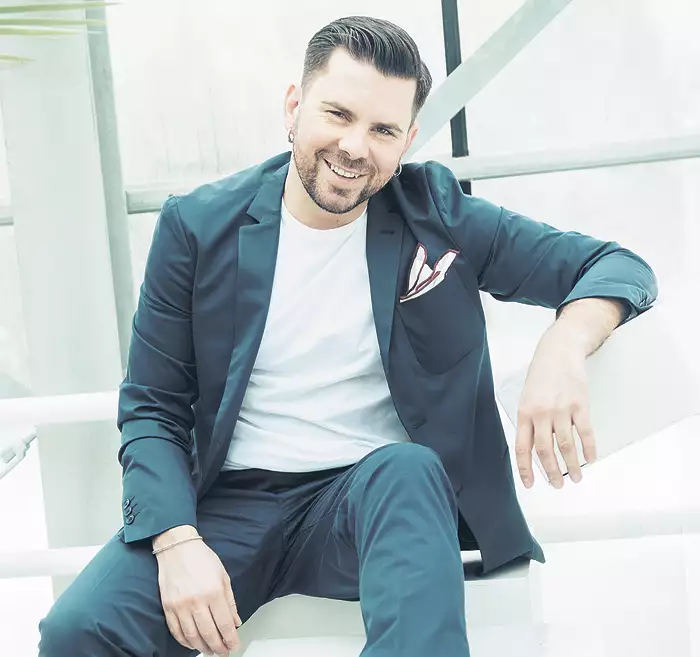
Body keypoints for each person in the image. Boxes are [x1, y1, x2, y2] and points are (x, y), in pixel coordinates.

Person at [38, 14, 658, 657]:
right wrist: (175, 540)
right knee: (76, 630)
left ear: (407, 139)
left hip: (376, 508)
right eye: (338, 114)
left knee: (409, 468)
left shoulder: (435, 214)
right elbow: (153, 403)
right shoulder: (198, 226)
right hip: (232, 506)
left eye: (382, 130)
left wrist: (562, 344)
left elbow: (616, 266)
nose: (355, 147)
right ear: (294, 107)